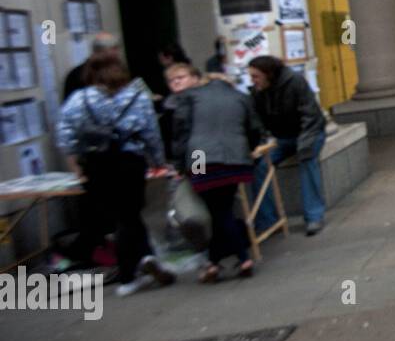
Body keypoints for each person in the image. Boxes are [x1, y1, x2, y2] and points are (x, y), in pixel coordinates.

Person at [56, 50, 175, 296]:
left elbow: (66, 135)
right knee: (128, 215)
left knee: (121, 217)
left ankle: (145, 258)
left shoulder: (79, 99)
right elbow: (151, 132)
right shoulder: (137, 97)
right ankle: (129, 275)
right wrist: (157, 160)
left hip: (96, 163)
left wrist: (77, 166)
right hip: (129, 161)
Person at [166, 62, 263, 281]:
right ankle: (215, 262)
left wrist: (181, 166)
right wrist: (247, 149)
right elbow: (255, 129)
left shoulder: (191, 97)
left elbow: (181, 133)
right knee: (222, 208)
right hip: (235, 159)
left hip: (200, 157)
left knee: (216, 210)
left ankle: (239, 257)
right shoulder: (240, 96)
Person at [247, 55, 327, 236]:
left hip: (308, 133)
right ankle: (268, 219)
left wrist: (304, 144)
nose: (252, 81)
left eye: (255, 76)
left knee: (307, 160)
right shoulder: (258, 92)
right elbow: (258, 122)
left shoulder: (295, 82)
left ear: (269, 74)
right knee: (260, 166)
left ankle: (314, 216)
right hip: (283, 137)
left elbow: (310, 115)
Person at [62, 31, 120, 102]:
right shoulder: (77, 75)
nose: (117, 53)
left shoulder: (118, 71)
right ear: (101, 51)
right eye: (114, 48)